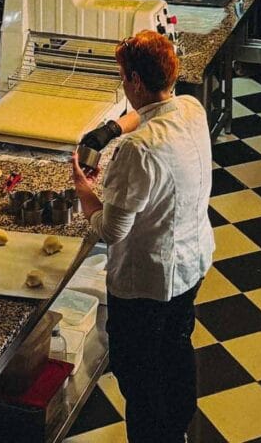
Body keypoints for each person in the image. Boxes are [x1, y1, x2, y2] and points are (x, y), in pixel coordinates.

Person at [71, 31, 214, 443]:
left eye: (122, 76)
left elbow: (113, 231)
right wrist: (110, 129)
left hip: (147, 284)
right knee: (175, 348)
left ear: (134, 80)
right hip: (191, 264)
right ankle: (178, 430)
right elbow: (148, 113)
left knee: (139, 376)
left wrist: (86, 195)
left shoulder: (138, 151)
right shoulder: (190, 107)